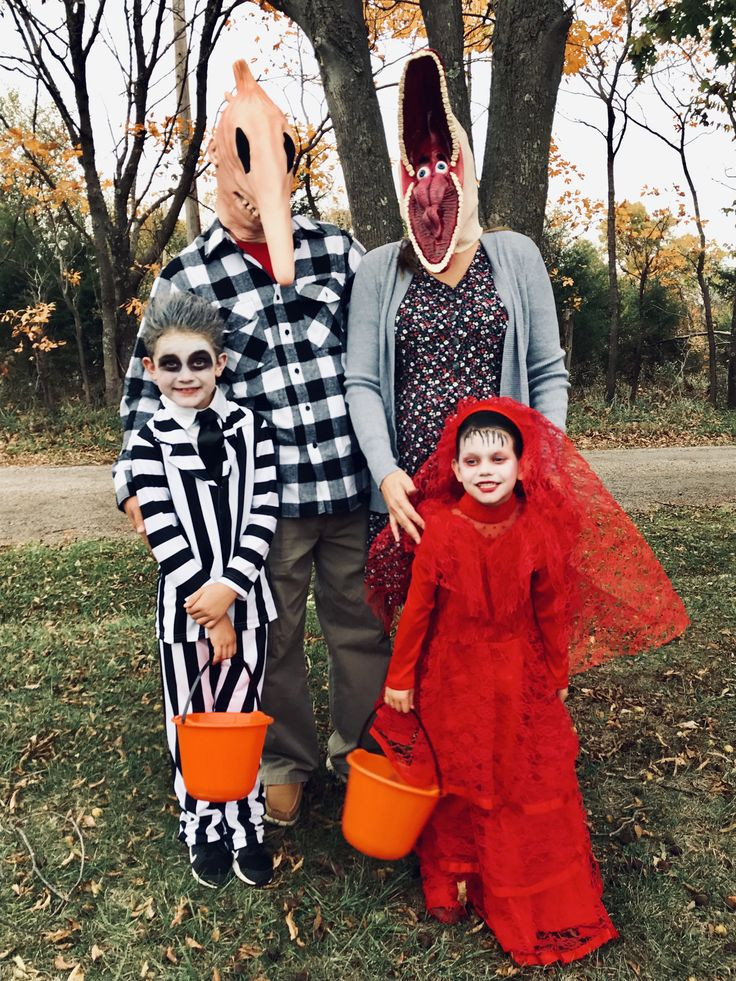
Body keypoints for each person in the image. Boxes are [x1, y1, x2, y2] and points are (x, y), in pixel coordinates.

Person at [113, 59, 390, 829]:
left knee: (361, 622)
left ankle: (363, 747)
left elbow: (381, 360)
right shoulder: (190, 276)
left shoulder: (340, 251)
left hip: (350, 482)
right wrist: (134, 482)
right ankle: (285, 758)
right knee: (273, 633)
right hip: (263, 504)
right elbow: (148, 391)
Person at [367, 397, 689, 967]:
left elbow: (551, 609)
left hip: (519, 673)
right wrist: (401, 678)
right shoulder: (438, 528)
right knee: (460, 767)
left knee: (521, 772)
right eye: (472, 461)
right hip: (452, 674)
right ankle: (460, 879)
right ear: (456, 469)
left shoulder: (538, 526)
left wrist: (556, 671)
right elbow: (417, 610)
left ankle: (521, 887)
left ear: (521, 463)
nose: (486, 470)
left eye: (499, 457)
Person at [345, 50, 569, 545]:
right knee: (423, 617)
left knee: (498, 614)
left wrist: (539, 464)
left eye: (443, 162)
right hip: (411, 493)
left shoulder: (516, 256)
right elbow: (361, 382)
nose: (434, 181)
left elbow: (547, 372)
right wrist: (385, 473)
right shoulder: (379, 269)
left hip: (500, 487)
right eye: (421, 167)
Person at [127, 292, 278, 889]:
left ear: (219, 364)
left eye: (197, 361)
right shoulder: (146, 443)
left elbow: (262, 514)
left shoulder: (253, 430)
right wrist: (209, 611)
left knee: (240, 715)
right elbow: (162, 530)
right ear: (150, 370)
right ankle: (201, 823)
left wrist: (233, 592)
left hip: (250, 606)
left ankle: (245, 823)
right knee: (188, 716)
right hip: (182, 615)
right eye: (171, 364)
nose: (185, 374)